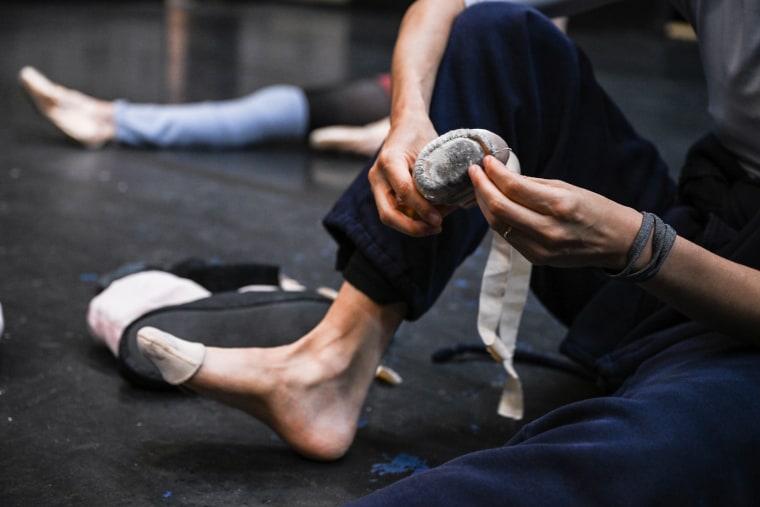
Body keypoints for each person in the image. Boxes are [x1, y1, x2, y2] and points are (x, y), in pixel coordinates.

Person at [135, 0, 760, 504]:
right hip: (707, 222)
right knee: (498, 32)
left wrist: (642, 248)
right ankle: (331, 365)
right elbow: (448, 4)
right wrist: (407, 118)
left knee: (659, 451)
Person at [19, 66, 392, 157]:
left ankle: (387, 136)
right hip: (404, 87)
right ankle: (106, 117)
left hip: (441, 109)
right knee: (273, 107)